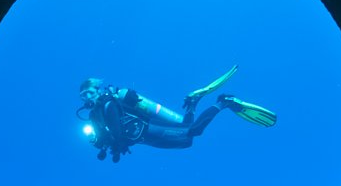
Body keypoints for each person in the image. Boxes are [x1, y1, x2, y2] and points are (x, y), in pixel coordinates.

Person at [77, 66, 276, 162]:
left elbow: (117, 131)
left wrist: (116, 144)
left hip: (146, 130)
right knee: (186, 140)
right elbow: (107, 136)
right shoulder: (95, 115)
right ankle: (193, 102)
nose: (87, 96)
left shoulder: (108, 103)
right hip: (143, 138)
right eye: (83, 94)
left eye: (89, 91)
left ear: (97, 89)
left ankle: (224, 102)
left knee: (193, 131)